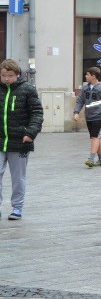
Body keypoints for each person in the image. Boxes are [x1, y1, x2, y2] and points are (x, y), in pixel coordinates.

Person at [0, 60, 43, 221]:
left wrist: (31, 133)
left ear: (17, 75)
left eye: (9, 76)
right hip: (0, 140)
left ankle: (17, 207)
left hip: (20, 141)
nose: (6, 79)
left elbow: (37, 113)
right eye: (3, 75)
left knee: (18, 177)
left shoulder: (27, 90)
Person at [73, 66, 101, 167]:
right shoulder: (85, 88)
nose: (85, 76)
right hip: (89, 117)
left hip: (99, 117)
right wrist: (76, 112)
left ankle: (91, 159)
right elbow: (80, 100)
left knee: (95, 137)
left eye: (87, 74)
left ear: (93, 76)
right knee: (96, 137)